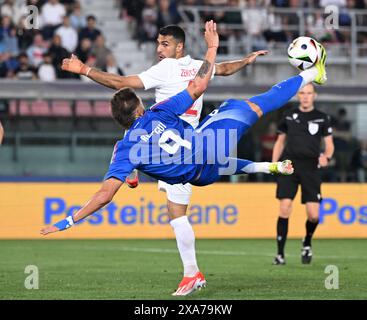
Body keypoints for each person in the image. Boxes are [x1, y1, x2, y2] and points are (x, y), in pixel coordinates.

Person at [41, 20, 328, 295]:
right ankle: (310, 74)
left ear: (177, 47)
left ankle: (188, 263)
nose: (158, 49)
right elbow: (204, 80)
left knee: (175, 207)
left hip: (191, 169)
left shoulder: (156, 86)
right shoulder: (161, 108)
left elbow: (104, 194)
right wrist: (214, 48)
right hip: (203, 140)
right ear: (140, 108)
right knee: (256, 105)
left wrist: (69, 220)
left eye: (163, 44)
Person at [272, 82, 334, 266]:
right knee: (284, 208)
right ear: (298, 96)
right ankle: (280, 254)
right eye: (302, 93)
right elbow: (279, 142)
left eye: (309, 93)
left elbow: (329, 145)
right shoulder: (288, 115)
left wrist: (327, 157)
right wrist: (274, 165)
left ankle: (307, 242)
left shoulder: (323, 118)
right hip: (289, 165)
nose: (305, 96)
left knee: (314, 215)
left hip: (311, 168)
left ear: (314, 95)